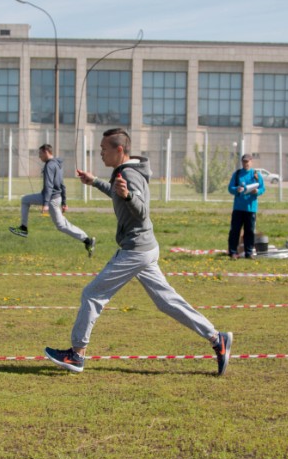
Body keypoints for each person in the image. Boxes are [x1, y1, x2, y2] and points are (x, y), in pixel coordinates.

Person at [44, 128, 232, 375]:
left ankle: (76, 355)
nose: (100, 153)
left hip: (135, 250)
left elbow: (141, 212)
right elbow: (118, 194)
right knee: (168, 302)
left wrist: (129, 195)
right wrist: (95, 181)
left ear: (119, 149)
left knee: (92, 294)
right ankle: (217, 338)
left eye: (103, 149)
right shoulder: (124, 172)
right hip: (145, 248)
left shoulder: (129, 174)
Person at [8, 144, 96, 257]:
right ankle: (23, 228)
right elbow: (62, 185)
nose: (39, 157)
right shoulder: (57, 164)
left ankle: (87, 241)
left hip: (51, 199)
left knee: (61, 225)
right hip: (55, 198)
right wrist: (64, 202)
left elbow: (49, 185)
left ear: (46, 152)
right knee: (25, 200)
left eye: (40, 154)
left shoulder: (49, 166)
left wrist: (45, 204)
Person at [227, 153, 265, 259]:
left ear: (251, 162)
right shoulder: (237, 174)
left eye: (247, 161)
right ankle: (233, 252)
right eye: (244, 161)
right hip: (238, 208)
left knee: (249, 231)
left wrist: (257, 191)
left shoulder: (256, 175)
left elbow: (262, 188)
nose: (246, 163)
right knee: (235, 230)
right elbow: (230, 188)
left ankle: (249, 252)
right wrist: (236, 189)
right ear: (242, 162)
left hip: (251, 208)